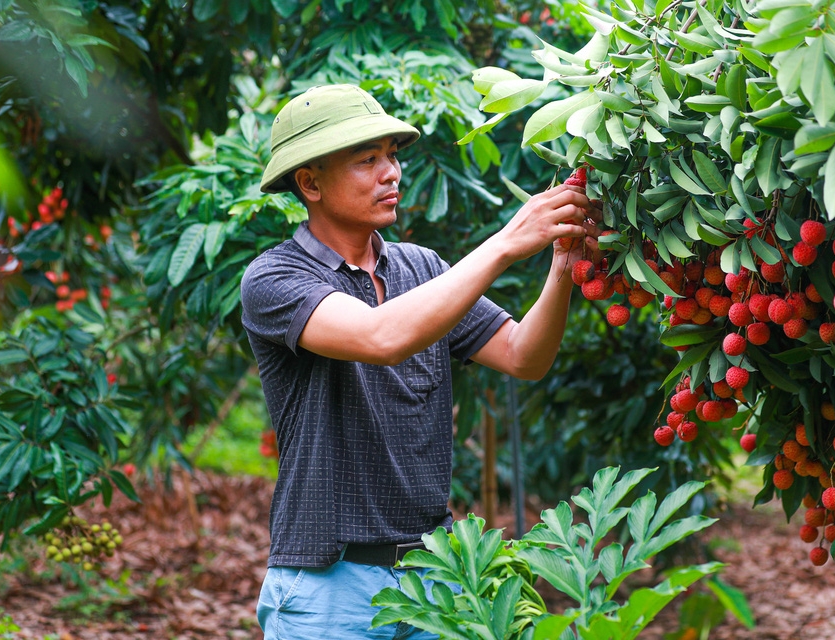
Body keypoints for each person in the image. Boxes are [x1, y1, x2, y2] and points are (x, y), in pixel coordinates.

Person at [241, 84, 599, 639]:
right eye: (367, 159)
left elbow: (523, 355)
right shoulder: (275, 278)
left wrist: (562, 264)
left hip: (436, 576)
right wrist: (505, 242)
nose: (391, 173)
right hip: (328, 588)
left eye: (392, 155)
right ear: (309, 182)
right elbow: (381, 336)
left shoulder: (421, 268)